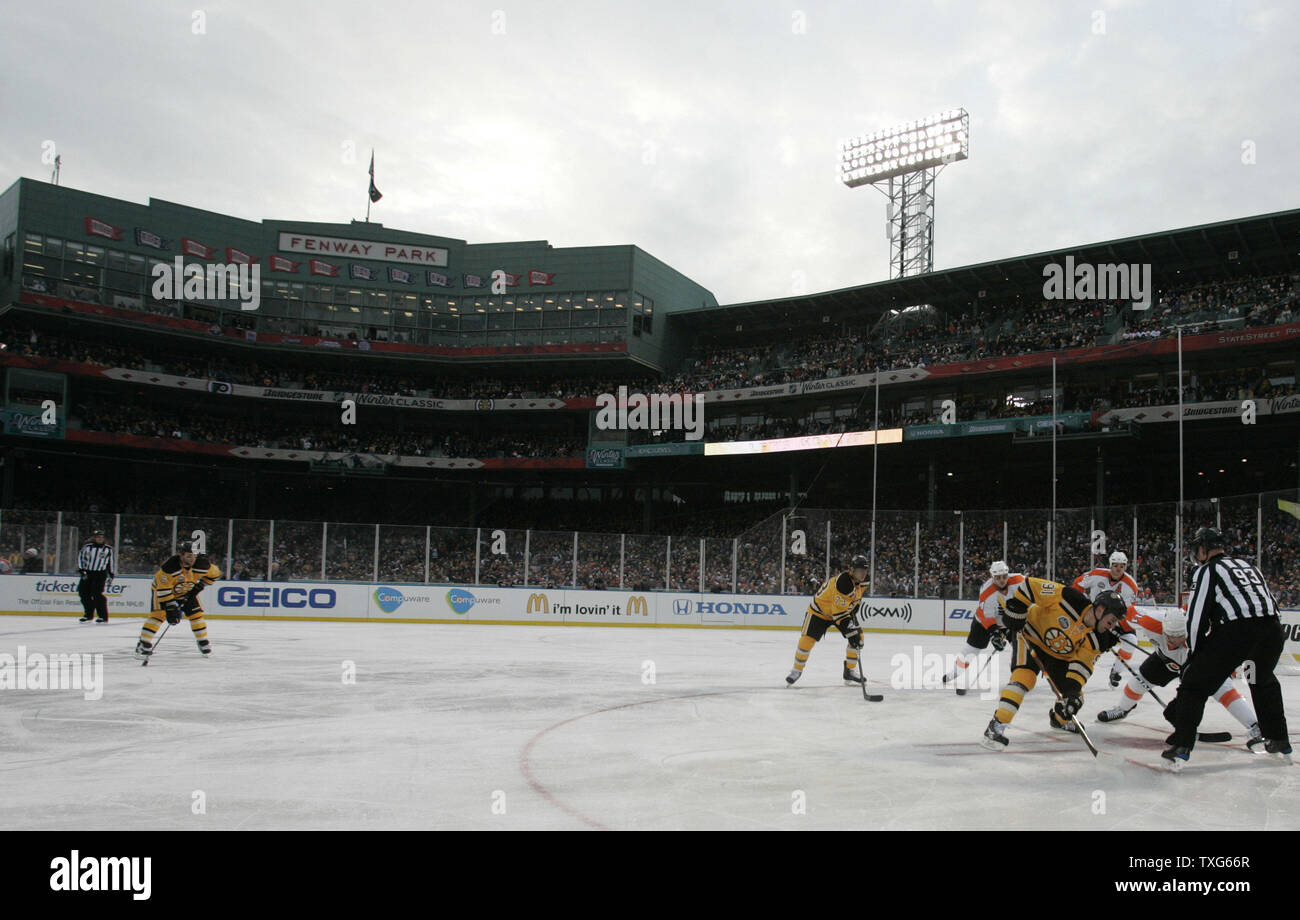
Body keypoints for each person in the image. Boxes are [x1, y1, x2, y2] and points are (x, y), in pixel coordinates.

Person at [1160, 527, 1291, 770]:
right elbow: (1270, 604)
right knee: (1261, 680)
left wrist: (1194, 657)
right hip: (1272, 630)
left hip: (1237, 631)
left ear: (1202, 549)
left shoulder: (1207, 570)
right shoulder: (1249, 566)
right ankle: (1279, 739)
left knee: (1193, 683)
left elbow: (1197, 617)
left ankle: (1181, 746)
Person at [981, 580, 1126, 750]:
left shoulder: (1099, 639)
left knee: (1075, 699)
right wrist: (1017, 607)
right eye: (1113, 619)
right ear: (1101, 610)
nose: (1114, 625)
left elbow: (1081, 666)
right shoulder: (1069, 598)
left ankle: (1059, 720)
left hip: (1058, 656)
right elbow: (1030, 586)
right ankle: (996, 725)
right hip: (1030, 636)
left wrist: (1071, 691)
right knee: (1024, 677)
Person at [1096, 607, 1263, 748]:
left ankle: (1256, 727)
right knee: (1137, 683)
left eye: (1180, 637)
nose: (1175, 641)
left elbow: (1228, 652)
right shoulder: (1151, 622)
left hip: (1197, 662)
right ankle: (1122, 709)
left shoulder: (1204, 632)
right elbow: (1126, 612)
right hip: (1164, 660)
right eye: (1171, 636)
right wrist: (1111, 627)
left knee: (1223, 689)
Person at [785, 555, 869, 687]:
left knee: (859, 639)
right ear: (851, 570)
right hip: (820, 611)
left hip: (841, 611)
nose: (863, 574)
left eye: (865, 571)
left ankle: (849, 671)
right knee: (807, 640)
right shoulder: (843, 583)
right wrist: (850, 631)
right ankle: (796, 670)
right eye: (860, 571)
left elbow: (856, 599)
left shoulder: (864, 580)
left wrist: (853, 620)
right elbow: (838, 614)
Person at [942, 560, 1025, 694]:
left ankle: (1017, 676)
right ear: (992, 577)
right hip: (983, 623)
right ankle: (954, 673)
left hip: (1009, 621)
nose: (1002, 580)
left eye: (1004, 576)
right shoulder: (987, 592)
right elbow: (986, 616)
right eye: (998, 578)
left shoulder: (1019, 580)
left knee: (1021, 649)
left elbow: (1032, 592)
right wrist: (995, 634)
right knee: (970, 651)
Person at [135, 542, 222, 660]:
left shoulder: (202, 565)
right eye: (189, 556)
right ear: (181, 555)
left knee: (196, 614)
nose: (192, 559)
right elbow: (163, 589)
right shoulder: (169, 568)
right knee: (159, 615)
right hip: (162, 591)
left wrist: (199, 586)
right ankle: (143, 644)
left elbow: (215, 574)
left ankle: (202, 641)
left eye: (194, 556)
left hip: (187, 590)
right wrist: (171, 608)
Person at [1072, 550, 1140, 686]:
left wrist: (1113, 623)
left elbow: (1128, 611)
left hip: (1115, 621)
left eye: (1122, 566)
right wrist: (1079, 606)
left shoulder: (1131, 586)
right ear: (1110, 565)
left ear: (1125, 567)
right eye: (1115, 565)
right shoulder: (1096, 574)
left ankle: (1116, 672)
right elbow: (1077, 585)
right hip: (1093, 619)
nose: (1118, 569)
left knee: (1131, 640)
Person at [77, 530, 115, 623]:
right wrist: (82, 571)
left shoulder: (108, 549)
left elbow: (111, 562)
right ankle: (88, 615)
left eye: (101, 537)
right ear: (94, 538)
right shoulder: (87, 547)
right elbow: (80, 558)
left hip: (100, 574)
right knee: (83, 593)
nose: (99, 539)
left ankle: (103, 616)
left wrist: (111, 575)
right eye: (98, 537)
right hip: (88, 572)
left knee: (97, 594)